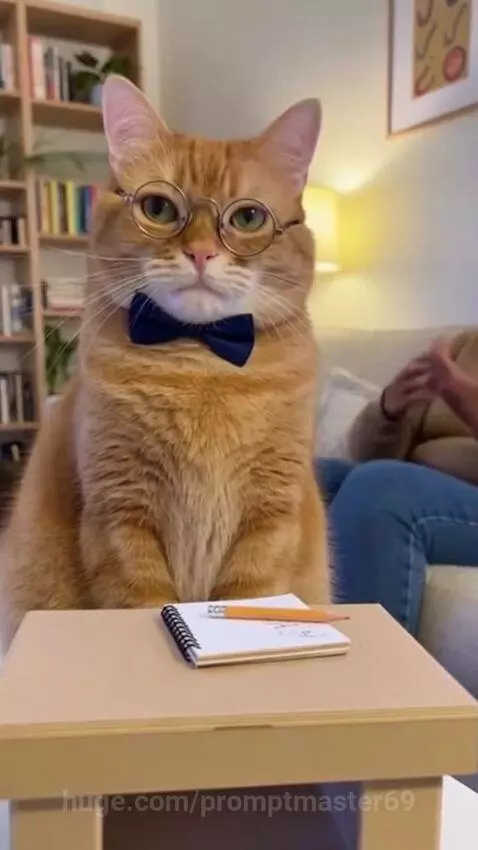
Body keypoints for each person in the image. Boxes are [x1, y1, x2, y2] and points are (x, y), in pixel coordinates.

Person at [316, 331, 478, 636]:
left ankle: (368, 676)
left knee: (383, 492)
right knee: (309, 478)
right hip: (418, 483)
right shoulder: (466, 345)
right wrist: (389, 409)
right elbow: (368, 458)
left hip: (432, 494)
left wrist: (465, 398)